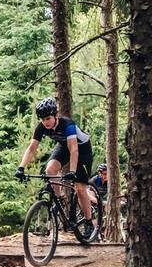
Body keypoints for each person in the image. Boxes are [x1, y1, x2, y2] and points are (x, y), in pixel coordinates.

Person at [14, 97, 96, 239]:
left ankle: (89, 222)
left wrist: (72, 171)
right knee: (50, 170)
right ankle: (59, 201)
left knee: (80, 188)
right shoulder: (42, 127)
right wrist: (21, 167)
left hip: (81, 149)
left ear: (56, 115)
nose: (45, 122)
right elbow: (32, 148)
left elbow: (74, 149)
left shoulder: (67, 124)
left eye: (48, 118)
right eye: (42, 119)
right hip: (63, 146)